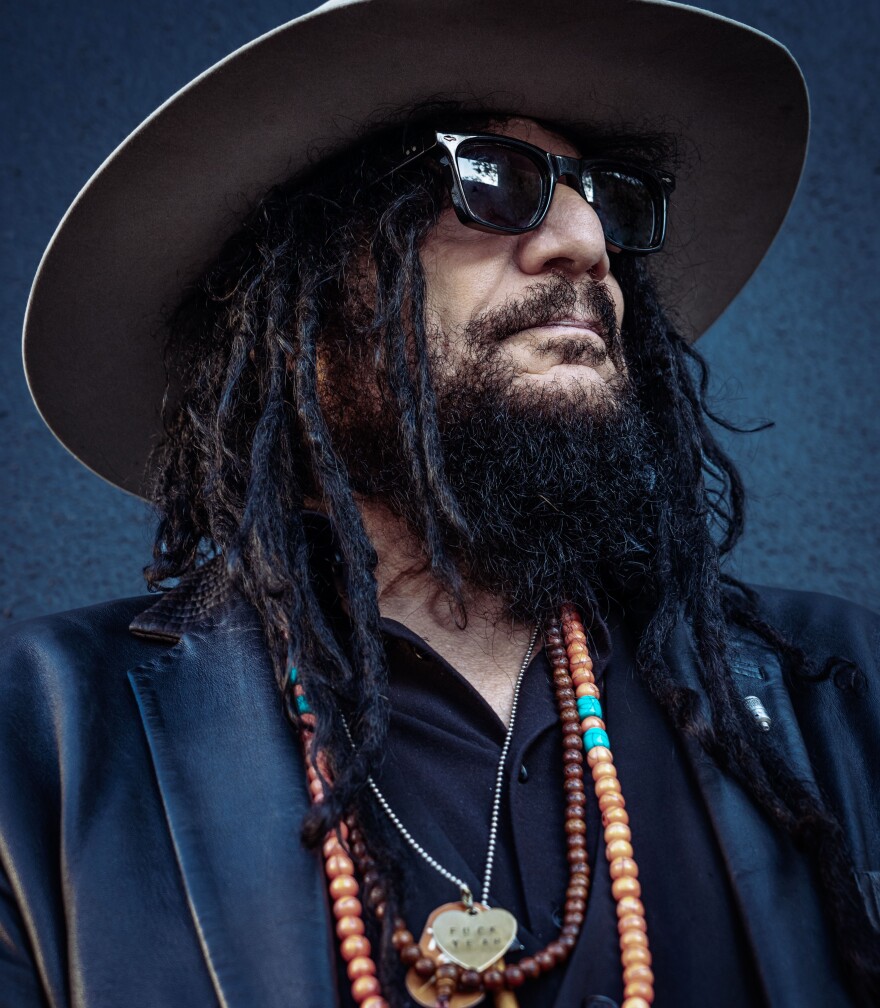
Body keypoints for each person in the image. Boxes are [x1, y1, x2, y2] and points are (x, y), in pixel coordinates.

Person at [4, 1, 880, 1006]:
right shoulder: (44, 742)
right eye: (494, 181)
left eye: (606, 194)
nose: (587, 241)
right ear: (292, 305)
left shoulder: (841, 700)